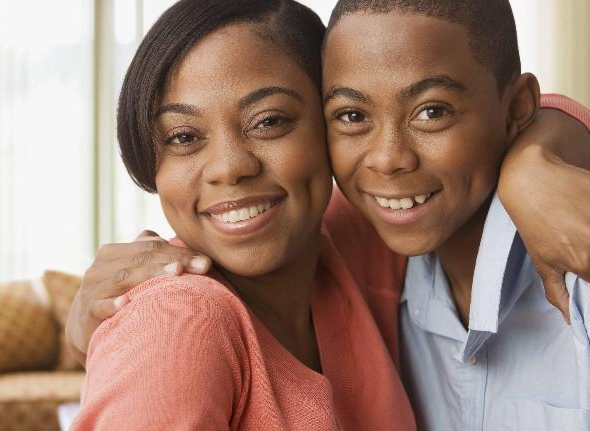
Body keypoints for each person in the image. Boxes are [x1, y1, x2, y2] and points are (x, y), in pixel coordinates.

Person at [319, 0, 590, 428]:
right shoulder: (380, 273)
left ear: (517, 108)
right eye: (352, 116)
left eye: (432, 112)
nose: (388, 159)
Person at [70, 1, 416, 429]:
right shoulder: (179, 322)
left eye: (268, 121)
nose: (229, 167)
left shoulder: (357, 238)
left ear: (334, 124)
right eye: (182, 137)